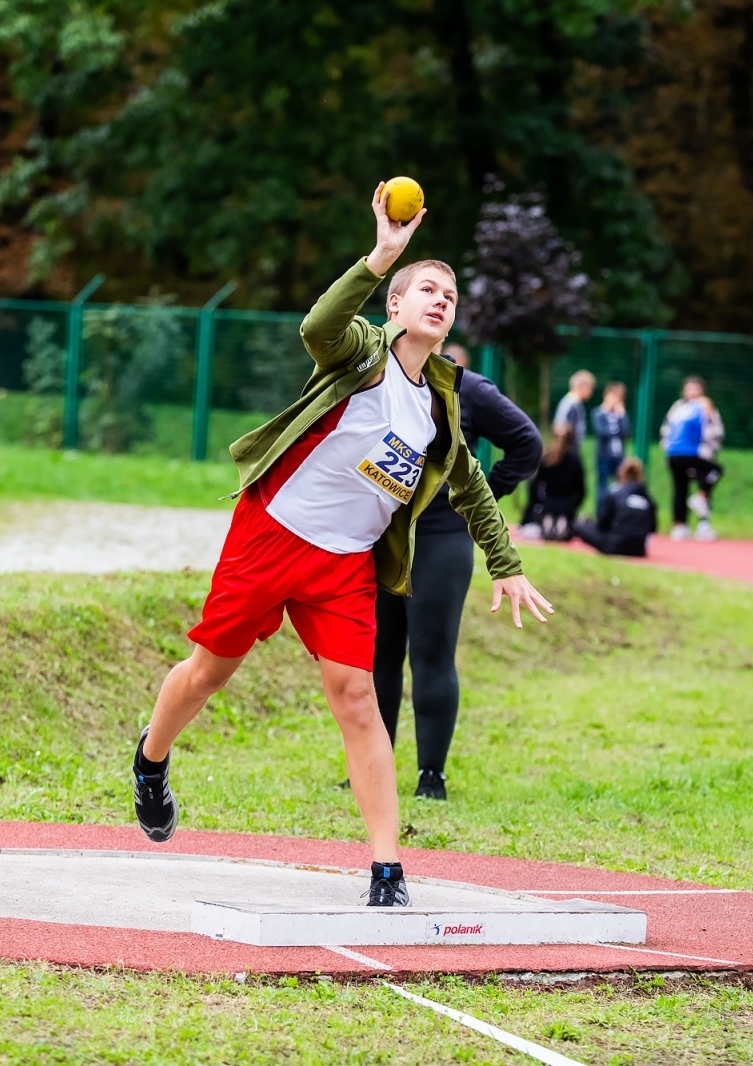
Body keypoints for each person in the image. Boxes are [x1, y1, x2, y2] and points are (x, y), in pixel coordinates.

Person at [131, 183, 553, 908]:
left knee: (357, 696)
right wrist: (380, 257)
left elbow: (473, 484)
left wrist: (506, 564)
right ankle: (150, 760)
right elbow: (317, 326)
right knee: (207, 673)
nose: (439, 300)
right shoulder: (362, 354)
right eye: (425, 287)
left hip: (344, 565)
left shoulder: (439, 405)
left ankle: (387, 869)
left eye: (448, 296)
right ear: (395, 305)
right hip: (272, 535)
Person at [374, 340, 541, 801]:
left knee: (431, 655)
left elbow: (528, 443)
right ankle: (372, 766)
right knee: (377, 657)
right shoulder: (374, 377)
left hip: (440, 541)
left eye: (446, 300)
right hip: (379, 537)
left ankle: (432, 777)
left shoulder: (470, 389)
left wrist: (476, 499)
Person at [660, 376, 724, 542]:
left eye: (696, 389)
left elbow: (715, 431)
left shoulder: (704, 407)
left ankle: (702, 524)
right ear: (684, 390)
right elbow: (667, 431)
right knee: (685, 487)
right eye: (690, 389)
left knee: (703, 483)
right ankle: (681, 524)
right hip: (688, 454)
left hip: (688, 454)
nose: (693, 392)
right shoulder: (684, 407)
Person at [575, 456, 658, 557]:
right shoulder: (648, 499)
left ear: (621, 473)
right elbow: (652, 528)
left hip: (613, 546)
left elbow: (602, 524)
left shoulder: (615, 494)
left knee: (579, 524)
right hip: (639, 549)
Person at [520, 423, 585, 540]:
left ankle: (549, 523)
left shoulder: (546, 459)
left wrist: (539, 504)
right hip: (566, 506)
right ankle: (561, 525)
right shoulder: (575, 461)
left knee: (545, 523)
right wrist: (573, 506)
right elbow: (581, 490)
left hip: (548, 505)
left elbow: (534, 486)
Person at [590, 380, 631, 499]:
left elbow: (626, 433)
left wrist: (622, 416)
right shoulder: (598, 413)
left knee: (622, 485)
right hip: (604, 456)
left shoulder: (621, 415)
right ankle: (602, 513)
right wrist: (606, 410)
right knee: (602, 486)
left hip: (619, 455)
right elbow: (601, 432)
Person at [552, 369, 594, 447]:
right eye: (590, 388)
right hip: (568, 449)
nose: (591, 392)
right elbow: (560, 428)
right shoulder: (571, 404)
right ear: (583, 386)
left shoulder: (574, 402)